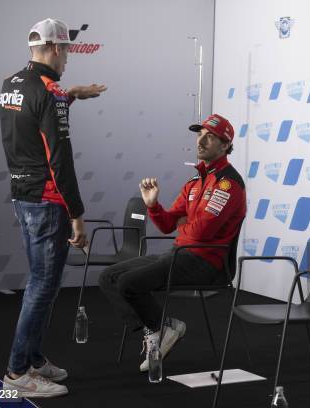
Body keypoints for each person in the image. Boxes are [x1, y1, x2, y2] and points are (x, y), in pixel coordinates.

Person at [0, 18, 107, 397]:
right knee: (42, 285)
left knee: (43, 284)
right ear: (57, 49)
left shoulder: (11, 83)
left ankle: (33, 358)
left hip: (23, 196)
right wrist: (77, 216)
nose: (67, 61)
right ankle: (16, 373)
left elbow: (32, 115)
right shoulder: (50, 91)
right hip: (47, 201)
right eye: (68, 53)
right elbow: (60, 160)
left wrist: (69, 95)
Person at [99, 113, 246, 372]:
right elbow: (168, 225)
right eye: (199, 135)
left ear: (225, 146)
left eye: (210, 137)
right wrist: (153, 205)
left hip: (208, 263)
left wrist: (184, 228)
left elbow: (201, 234)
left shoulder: (228, 183)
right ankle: (159, 328)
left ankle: (159, 329)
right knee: (109, 277)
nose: (201, 141)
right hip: (181, 252)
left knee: (128, 283)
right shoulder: (193, 182)